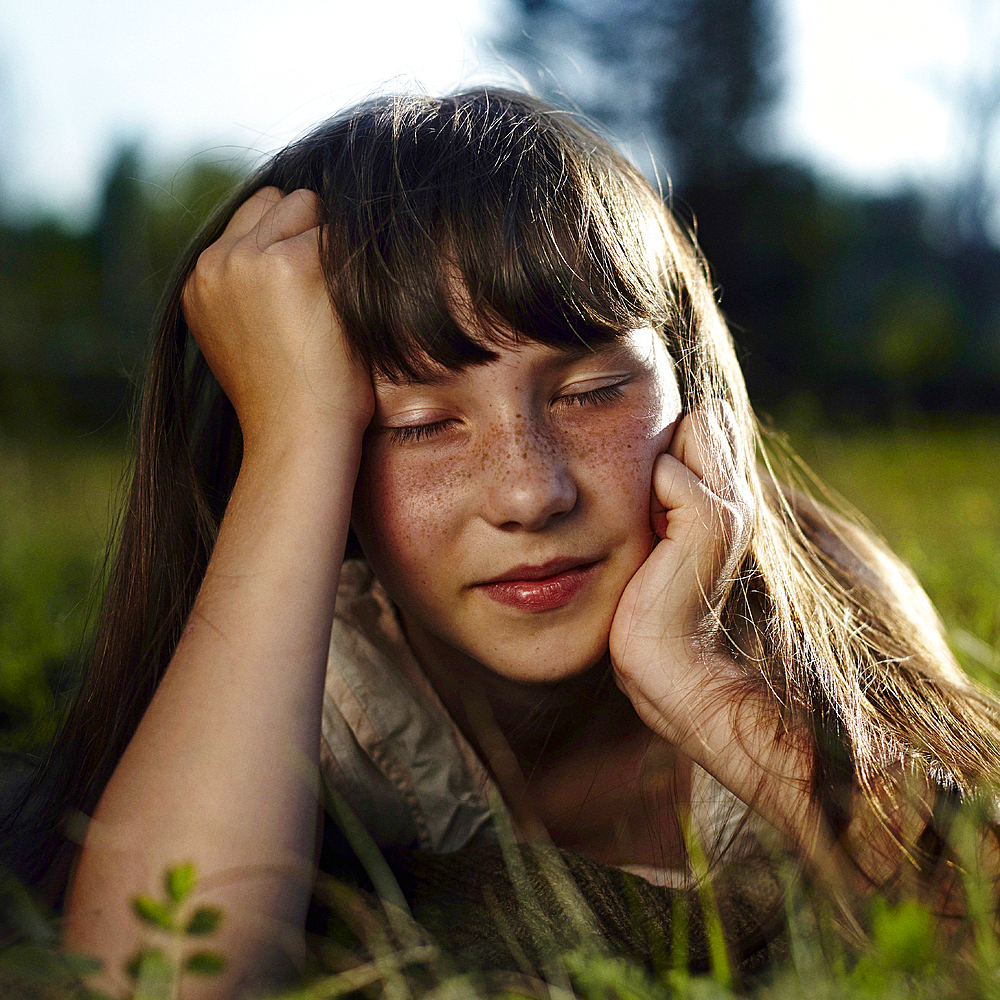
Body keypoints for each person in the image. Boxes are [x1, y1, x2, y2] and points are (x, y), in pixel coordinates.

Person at [4, 88, 1000, 995]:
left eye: (590, 391)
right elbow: (155, 978)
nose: (530, 491)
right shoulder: (319, 687)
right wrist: (300, 431)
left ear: (690, 393)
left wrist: (709, 692)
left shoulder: (814, 605)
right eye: (417, 424)